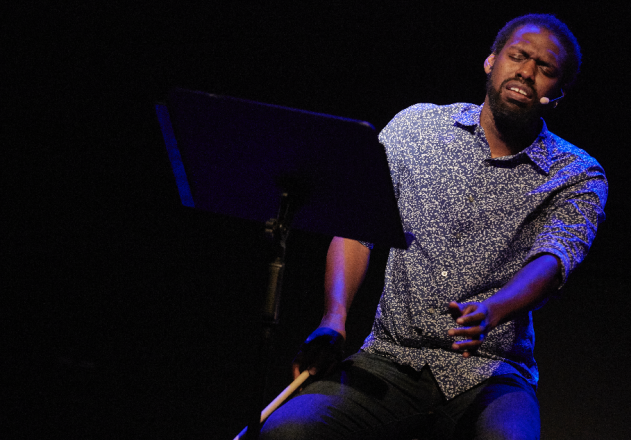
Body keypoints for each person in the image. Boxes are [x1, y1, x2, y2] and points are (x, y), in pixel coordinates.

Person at [259, 13, 607, 440]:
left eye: (546, 68)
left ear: (559, 92)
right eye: (518, 56)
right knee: (287, 430)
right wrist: (334, 318)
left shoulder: (576, 173)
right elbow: (357, 230)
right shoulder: (416, 127)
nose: (527, 72)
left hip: (491, 374)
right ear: (491, 60)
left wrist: (494, 309)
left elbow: (553, 260)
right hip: (388, 359)